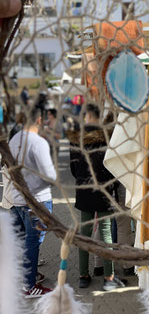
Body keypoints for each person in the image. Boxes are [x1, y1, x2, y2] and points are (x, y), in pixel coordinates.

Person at [67, 103, 125, 291]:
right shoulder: (107, 137)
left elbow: (73, 168)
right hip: (104, 190)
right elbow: (112, 167)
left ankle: (84, 276)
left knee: (85, 233)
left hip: (84, 190)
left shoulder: (75, 138)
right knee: (106, 233)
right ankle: (109, 277)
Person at [8, 107, 56, 298]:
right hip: (36, 200)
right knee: (32, 242)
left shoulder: (14, 140)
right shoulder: (38, 142)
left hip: (17, 199)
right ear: (38, 120)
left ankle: (25, 276)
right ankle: (29, 286)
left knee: (22, 241)